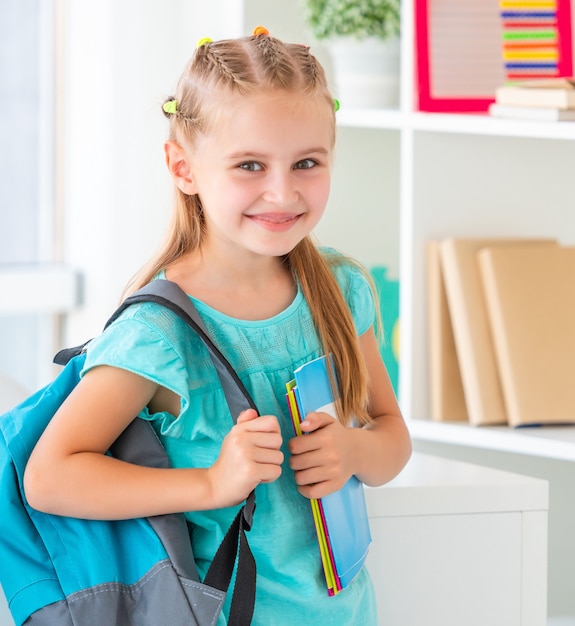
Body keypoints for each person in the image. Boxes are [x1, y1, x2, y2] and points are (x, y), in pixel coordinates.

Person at [24, 27, 411, 625]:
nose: (281, 191)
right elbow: (50, 477)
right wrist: (210, 485)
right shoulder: (159, 333)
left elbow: (392, 441)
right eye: (249, 165)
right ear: (184, 167)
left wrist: (354, 448)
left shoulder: (339, 291)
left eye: (307, 162)